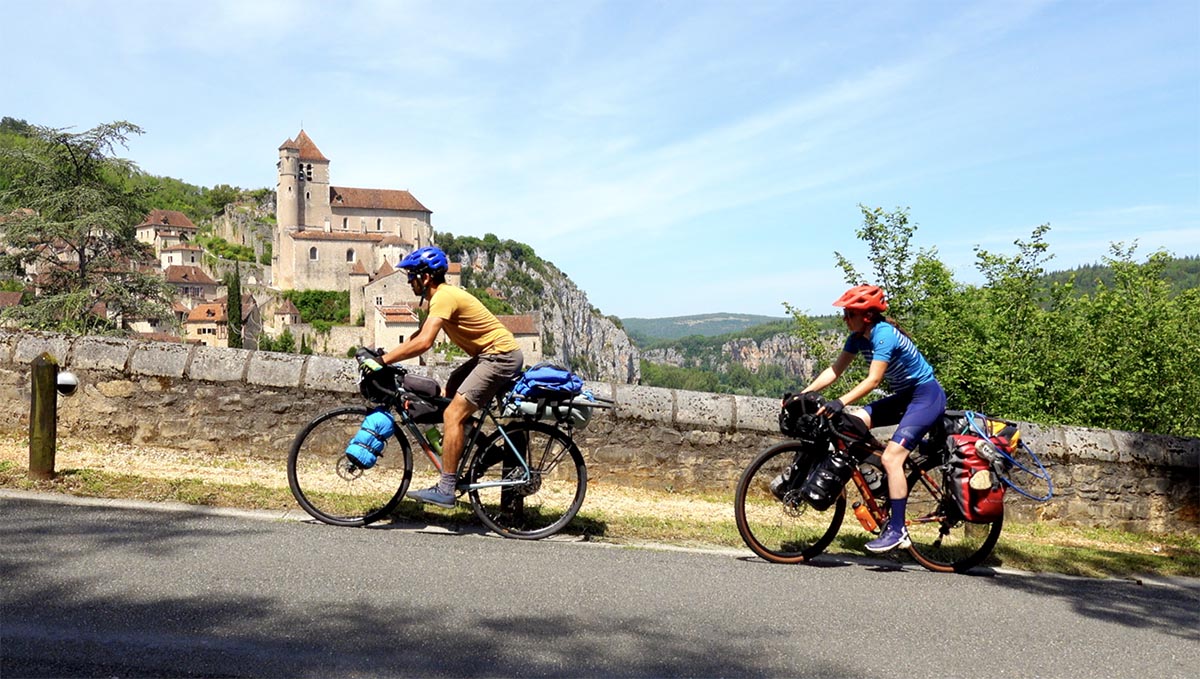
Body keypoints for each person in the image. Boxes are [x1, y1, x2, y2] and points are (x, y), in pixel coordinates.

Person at [364, 246, 524, 508]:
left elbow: (425, 343)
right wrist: (386, 353)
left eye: (412, 276)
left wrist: (382, 362)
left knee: (452, 415)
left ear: (425, 277)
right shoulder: (438, 298)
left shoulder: (443, 297)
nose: (409, 281)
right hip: (489, 355)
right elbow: (418, 336)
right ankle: (487, 451)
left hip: (499, 356)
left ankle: (446, 488)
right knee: (449, 395)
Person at [801, 284, 946, 552]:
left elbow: (874, 379)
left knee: (893, 458)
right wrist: (803, 394)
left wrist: (840, 401)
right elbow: (835, 370)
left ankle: (898, 530)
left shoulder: (884, 335)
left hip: (926, 396)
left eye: (849, 313)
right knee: (852, 423)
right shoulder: (857, 337)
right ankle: (876, 476)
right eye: (844, 313)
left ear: (866, 316)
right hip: (906, 396)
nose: (845, 318)